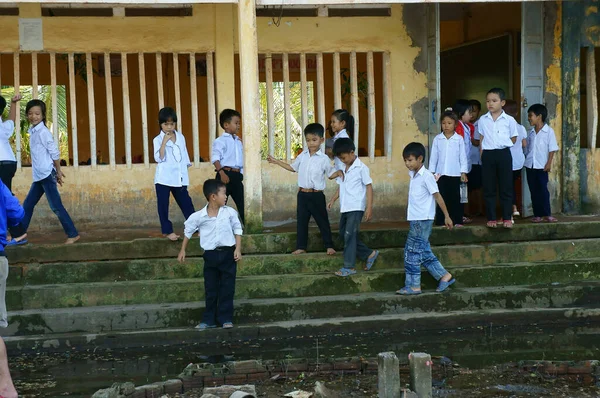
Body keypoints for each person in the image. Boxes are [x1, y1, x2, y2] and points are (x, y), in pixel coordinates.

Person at [177, 179, 242, 330]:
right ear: (213, 196)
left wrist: (237, 249)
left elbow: (238, 229)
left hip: (228, 254)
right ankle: (209, 319)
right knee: (211, 288)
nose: (226, 197)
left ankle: (225, 318)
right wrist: (183, 249)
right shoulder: (199, 216)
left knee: (227, 287)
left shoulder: (230, 213)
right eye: (223, 194)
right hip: (210, 256)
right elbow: (188, 230)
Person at [267, 123, 339, 255]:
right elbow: (293, 168)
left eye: (314, 140)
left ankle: (329, 246)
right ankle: (301, 247)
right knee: (301, 221)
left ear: (321, 140)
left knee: (322, 221)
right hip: (302, 194)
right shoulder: (303, 156)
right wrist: (277, 161)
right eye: (308, 140)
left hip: (317, 195)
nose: (311, 143)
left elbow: (330, 175)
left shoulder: (324, 159)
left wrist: (340, 173)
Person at [397, 142, 455, 295]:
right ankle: (444, 276)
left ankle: (414, 285)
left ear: (420, 158)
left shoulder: (427, 176)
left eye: (410, 160)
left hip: (422, 220)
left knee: (412, 252)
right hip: (417, 219)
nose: (407, 164)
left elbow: (437, 196)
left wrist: (447, 217)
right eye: (405, 160)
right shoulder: (414, 175)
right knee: (423, 251)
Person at [21, 100, 80, 244]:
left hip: (46, 174)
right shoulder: (34, 131)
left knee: (56, 206)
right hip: (40, 176)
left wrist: (58, 171)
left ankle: (73, 234)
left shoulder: (43, 132)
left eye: (37, 113)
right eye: (30, 113)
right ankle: (20, 234)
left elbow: (54, 153)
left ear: (42, 115)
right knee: (28, 205)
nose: (33, 116)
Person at [327, 138, 378, 277]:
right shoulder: (343, 168)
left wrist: (369, 207)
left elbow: (369, 187)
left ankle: (349, 266)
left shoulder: (362, 168)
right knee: (344, 234)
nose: (342, 160)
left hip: (356, 207)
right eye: (340, 158)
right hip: (345, 207)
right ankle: (369, 253)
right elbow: (340, 186)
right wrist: (332, 199)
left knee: (349, 235)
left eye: (343, 157)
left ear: (351, 152)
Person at [478, 88, 518, 229]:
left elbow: (513, 138)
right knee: (489, 188)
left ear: (502, 102)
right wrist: (482, 154)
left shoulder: (509, 120)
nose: (490, 104)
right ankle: (491, 218)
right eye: (488, 101)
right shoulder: (483, 120)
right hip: (488, 155)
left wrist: (502, 145)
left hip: (503, 154)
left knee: (506, 186)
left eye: (494, 101)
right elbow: (481, 138)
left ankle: (507, 217)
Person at [153, 107, 195, 241]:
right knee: (163, 205)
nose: (169, 127)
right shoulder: (157, 139)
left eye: (172, 124)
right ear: (160, 124)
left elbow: (185, 156)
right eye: (166, 124)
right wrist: (164, 142)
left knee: (186, 203)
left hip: (179, 177)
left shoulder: (181, 137)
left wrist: (184, 174)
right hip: (164, 178)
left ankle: (195, 228)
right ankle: (167, 231)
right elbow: (159, 158)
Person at [429, 109, 468, 227]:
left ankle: (457, 220)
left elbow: (463, 157)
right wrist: (431, 172)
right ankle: (441, 221)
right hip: (441, 174)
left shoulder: (459, 139)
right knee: (442, 197)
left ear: (455, 124)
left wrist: (463, 172)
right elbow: (433, 156)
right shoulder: (437, 139)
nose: (446, 126)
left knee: (456, 198)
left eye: (449, 123)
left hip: (455, 173)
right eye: (444, 123)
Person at [525, 104, 559, 223]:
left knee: (543, 190)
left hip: (542, 166)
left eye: (531, 116)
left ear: (539, 116)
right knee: (533, 190)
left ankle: (547, 214)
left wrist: (549, 163)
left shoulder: (548, 131)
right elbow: (528, 149)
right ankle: (537, 214)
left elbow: (552, 149)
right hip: (530, 165)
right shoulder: (531, 133)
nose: (529, 118)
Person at [0, 95, 27, 246]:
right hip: (9, 163)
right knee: (4, 198)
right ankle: (17, 233)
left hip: (2, 164)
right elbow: (11, 119)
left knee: (4, 199)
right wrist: (13, 103)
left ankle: (19, 234)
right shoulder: (3, 127)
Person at [212, 109, 245, 225]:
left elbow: (241, 160)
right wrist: (222, 173)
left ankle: (247, 226)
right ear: (226, 125)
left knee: (243, 204)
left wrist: (241, 174)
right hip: (224, 174)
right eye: (236, 123)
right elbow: (215, 159)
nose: (238, 126)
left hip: (236, 176)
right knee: (219, 204)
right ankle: (214, 228)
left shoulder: (238, 141)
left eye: (239, 123)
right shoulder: (220, 141)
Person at [503, 100, 528, 219]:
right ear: (517, 113)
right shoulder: (521, 127)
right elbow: (524, 144)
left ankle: (511, 210)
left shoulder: (503, 127)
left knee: (506, 187)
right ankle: (515, 208)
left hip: (505, 161)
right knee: (512, 185)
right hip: (518, 162)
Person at [467, 99, 484, 218]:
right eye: (469, 111)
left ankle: (480, 210)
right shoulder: (464, 124)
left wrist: (467, 136)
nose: (472, 114)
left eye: (474, 111)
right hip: (466, 161)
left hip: (477, 161)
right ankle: (467, 211)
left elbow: (477, 142)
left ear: (479, 112)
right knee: (466, 188)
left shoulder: (479, 124)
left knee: (478, 188)